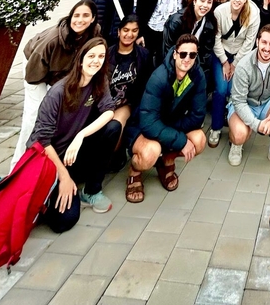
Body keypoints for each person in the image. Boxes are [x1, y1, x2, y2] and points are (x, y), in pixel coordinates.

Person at [29, 37, 119, 229]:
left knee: (113, 128)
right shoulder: (58, 92)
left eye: (101, 56)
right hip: (49, 158)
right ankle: (48, 199)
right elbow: (42, 141)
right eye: (91, 55)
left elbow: (109, 111)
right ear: (80, 59)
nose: (96, 60)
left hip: (73, 152)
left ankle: (91, 191)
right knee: (63, 222)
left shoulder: (99, 81)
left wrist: (81, 135)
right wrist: (64, 177)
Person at [10, 0, 100, 169]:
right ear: (70, 17)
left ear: (93, 18)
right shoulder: (52, 39)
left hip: (60, 71)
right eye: (76, 15)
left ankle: (47, 157)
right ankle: (17, 165)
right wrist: (51, 91)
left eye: (86, 16)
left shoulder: (94, 33)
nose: (80, 20)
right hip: (36, 67)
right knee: (35, 115)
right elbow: (33, 74)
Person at [125, 34, 207, 203]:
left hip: (168, 123)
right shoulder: (160, 77)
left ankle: (166, 161)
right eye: (183, 54)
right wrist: (180, 140)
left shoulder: (197, 75)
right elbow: (148, 124)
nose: (187, 59)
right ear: (175, 53)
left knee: (199, 139)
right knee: (150, 152)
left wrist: (171, 131)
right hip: (142, 126)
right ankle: (134, 171)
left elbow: (197, 116)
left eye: (192, 55)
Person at [228, 24, 270, 171]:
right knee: (240, 135)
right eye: (264, 42)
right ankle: (235, 144)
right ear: (257, 42)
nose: (267, 47)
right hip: (245, 103)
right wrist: (255, 124)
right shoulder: (244, 65)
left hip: (267, 101)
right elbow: (238, 101)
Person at [208, 0, 261, 147]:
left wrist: (235, 63)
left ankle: (235, 128)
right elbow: (215, 39)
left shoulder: (253, 14)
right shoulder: (219, 12)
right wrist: (225, 62)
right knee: (221, 89)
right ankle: (215, 128)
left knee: (235, 90)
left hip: (241, 55)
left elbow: (249, 42)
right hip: (221, 52)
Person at [106, 15, 152, 164]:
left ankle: (113, 156)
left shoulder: (143, 55)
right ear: (119, 31)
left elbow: (146, 84)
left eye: (134, 30)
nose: (129, 34)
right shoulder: (107, 53)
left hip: (127, 103)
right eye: (126, 30)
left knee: (115, 125)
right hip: (106, 101)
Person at [163, 0, 217, 86]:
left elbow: (206, 53)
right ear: (195, 0)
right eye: (202, 0)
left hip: (194, 64)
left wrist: (194, 70)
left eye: (209, 2)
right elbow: (167, 49)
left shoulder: (210, 24)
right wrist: (178, 69)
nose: (205, 5)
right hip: (174, 63)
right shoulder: (177, 21)